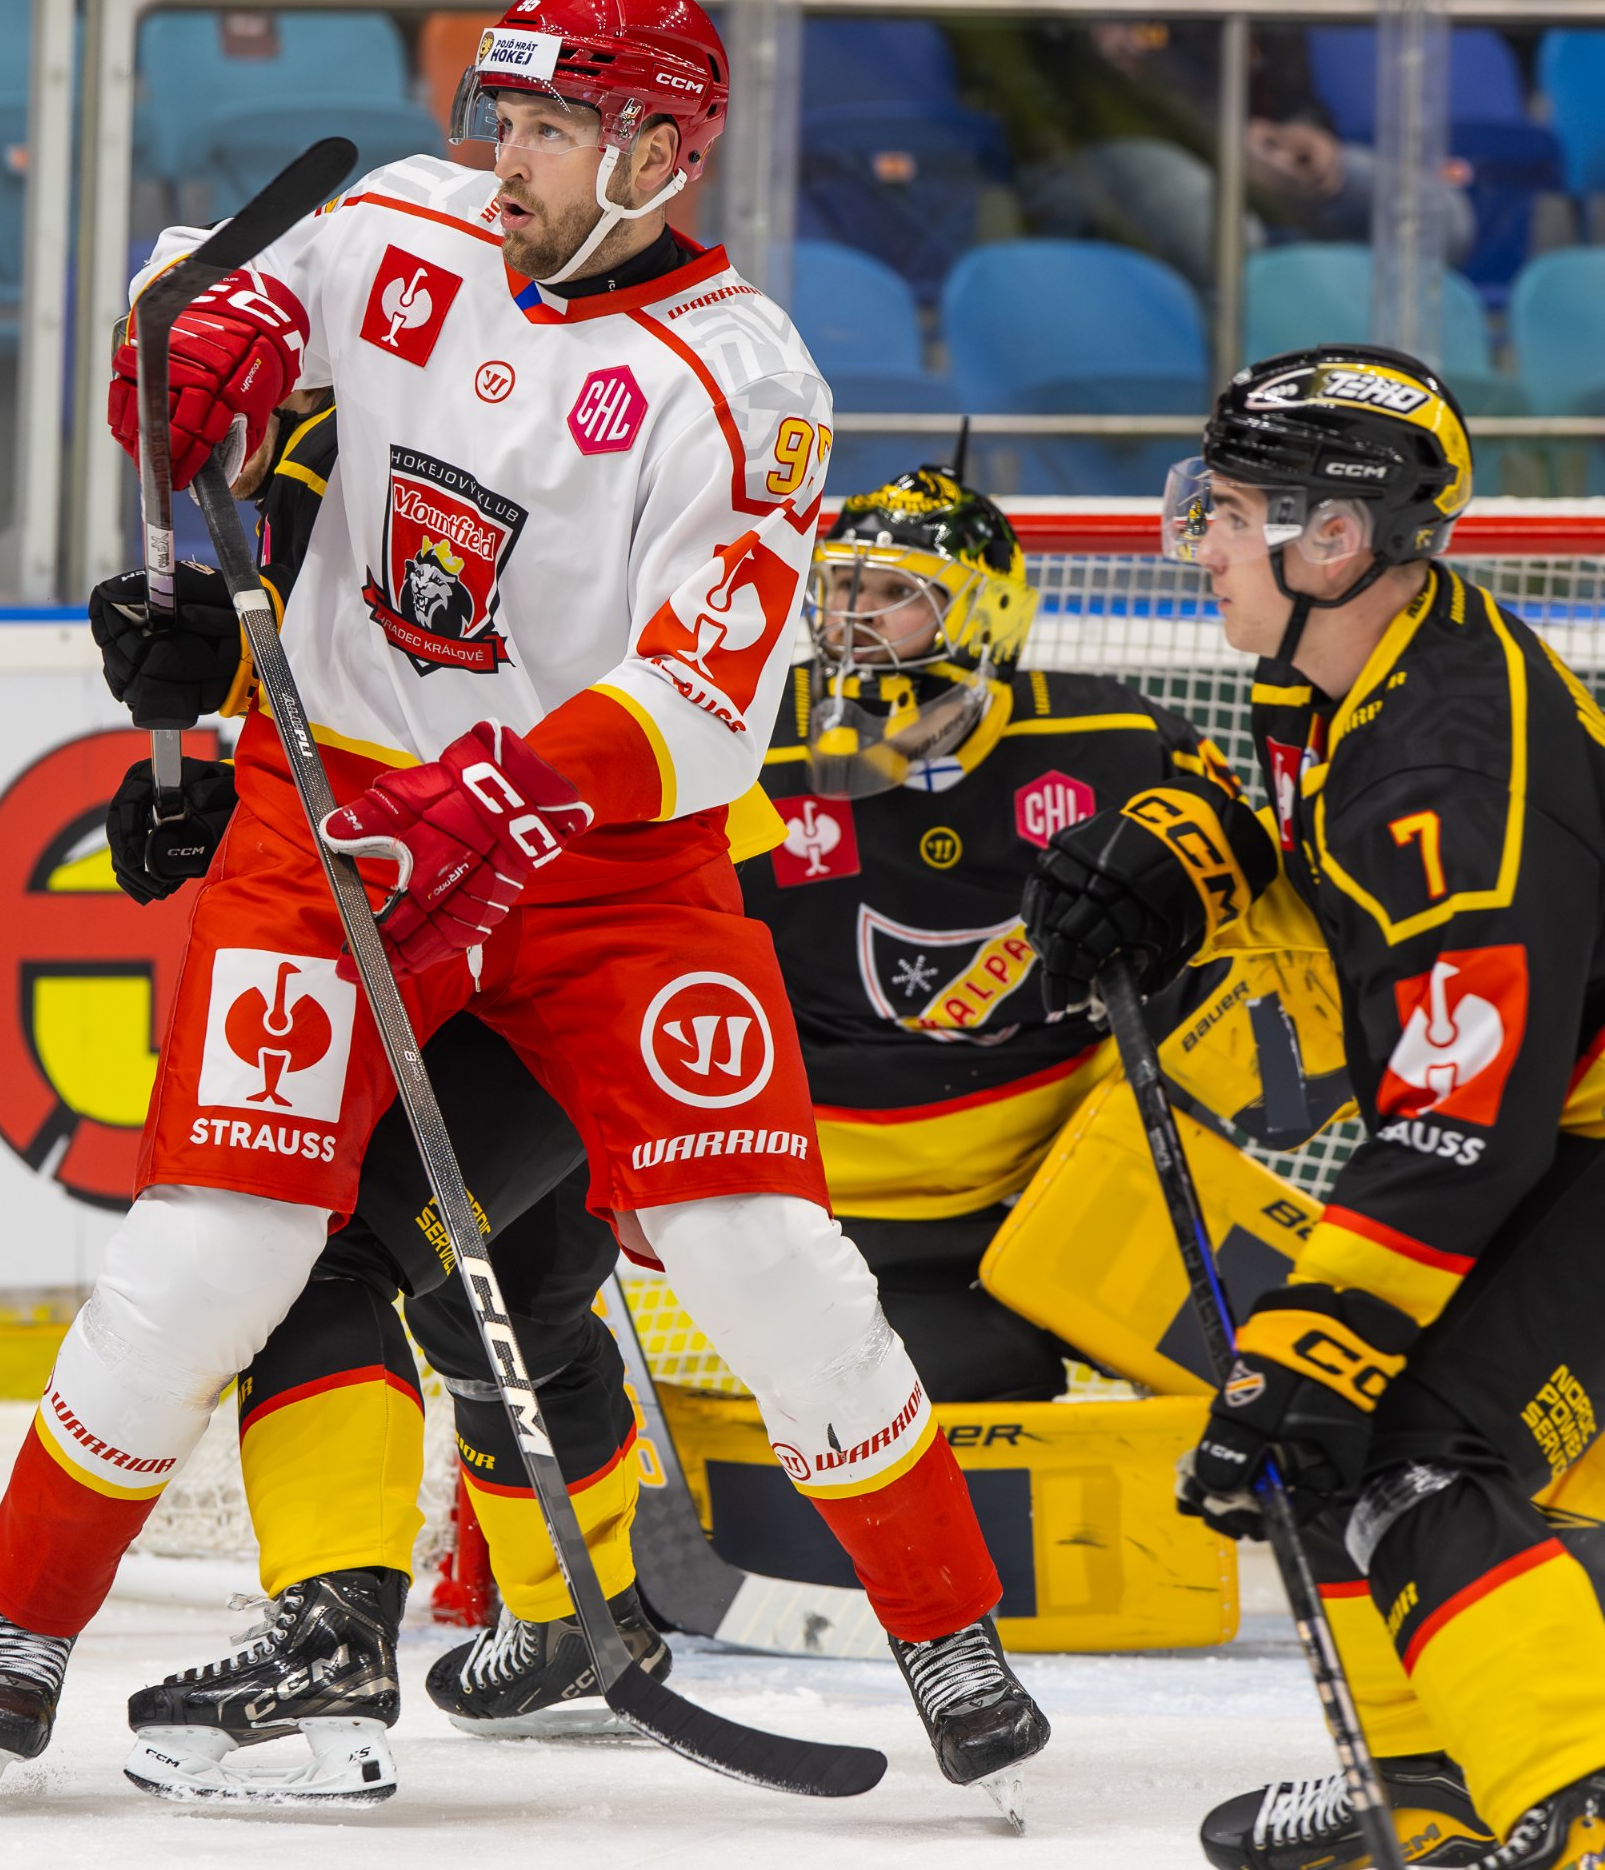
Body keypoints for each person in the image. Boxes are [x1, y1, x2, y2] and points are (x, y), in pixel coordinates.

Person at [0, 0, 1046, 1811]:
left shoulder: (748, 383)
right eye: (500, 118)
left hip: (609, 870)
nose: (502, 157)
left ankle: (951, 1641)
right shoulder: (403, 221)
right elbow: (196, 298)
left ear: (658, 152)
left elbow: (706, 693)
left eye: (544, 129)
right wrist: (198, 357)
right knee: (218, 1253)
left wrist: (507, 797)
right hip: (339, 829)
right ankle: (24, 1626)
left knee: (757, 1253)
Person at [150, 464, 1345, 1760]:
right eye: (838, 591)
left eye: (893, 595)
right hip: (793, 1171)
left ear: (987, 613)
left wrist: (1197, 866)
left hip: (1044, 1193)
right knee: (493, 1294)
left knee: (1247, 1367)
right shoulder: (743, 730)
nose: (849, 622)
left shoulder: (1110, 742)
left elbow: (1257, 854)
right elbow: (525, 830)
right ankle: (572, 1611)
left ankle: (1368, 1526)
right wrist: (276, 813)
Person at [1021, 343, 1605, 1870]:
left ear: (1333, 538)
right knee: (1331, 1441)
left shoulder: (1457, 773)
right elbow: (1302, 818)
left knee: (1411, 1439)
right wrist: (1188, 848)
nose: (1198, 541)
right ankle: (1428, 1789)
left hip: (1551, 1132)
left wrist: (1310, 1345)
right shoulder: (1345, 660)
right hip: (1549, 1117)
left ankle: (1577, 1808)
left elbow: (1464, 1132)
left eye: (1226, 512)